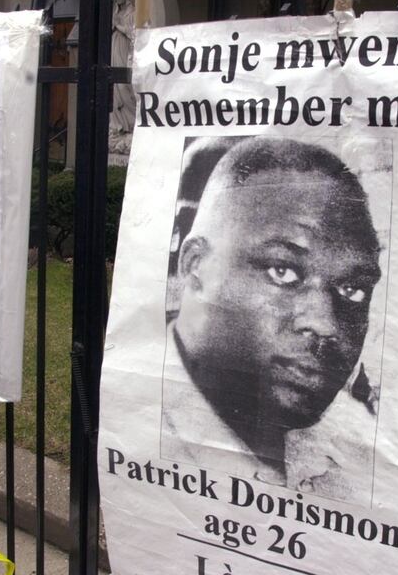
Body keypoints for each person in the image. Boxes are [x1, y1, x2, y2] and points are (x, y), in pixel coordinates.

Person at [162, 137, 382, 500]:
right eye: (282, 271)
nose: (325, 324)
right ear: (195, 265)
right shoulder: (135, 422)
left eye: (351, 290)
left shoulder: (359, 440)